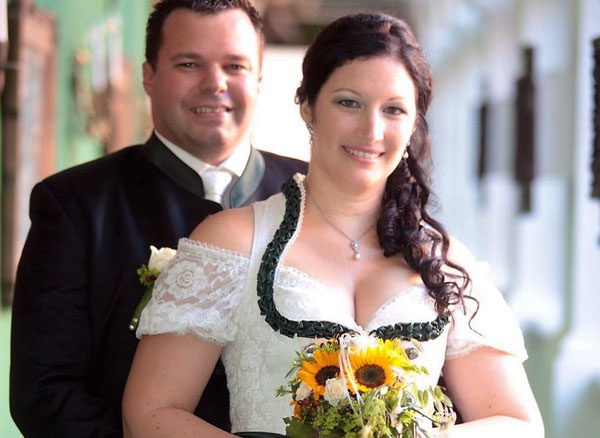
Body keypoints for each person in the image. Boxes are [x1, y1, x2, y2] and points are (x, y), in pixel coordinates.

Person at [122, 12, 544, 438]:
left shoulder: (445, 261)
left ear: (414, 122)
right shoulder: (233, 242)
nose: (371, 130)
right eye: (348, 102)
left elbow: (519, 424)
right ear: (308, 106)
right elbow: (150, 412)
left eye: (394, 110)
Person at [9, 1, 307, 437]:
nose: (215, 83)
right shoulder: (74, 205)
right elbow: (44, 392)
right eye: (189, 64)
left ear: (259, 78)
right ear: (149, 76)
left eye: (235, 66)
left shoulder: (313, 196)